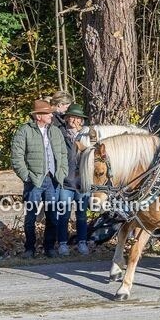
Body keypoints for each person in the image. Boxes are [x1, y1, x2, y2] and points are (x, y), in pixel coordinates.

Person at [11, 100, 67, 258]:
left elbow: (63, 154)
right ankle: (30, 248)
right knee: (30, 217)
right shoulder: (25, 131)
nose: (51, 115)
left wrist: (61, 173)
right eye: (48, 113)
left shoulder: (55, 131)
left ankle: (49, 247)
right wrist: (26, 176)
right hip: (34, 181)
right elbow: (17, 157)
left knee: (52, 216)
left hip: (53, 180)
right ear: (39, 116)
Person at [55, 104, 91, 256]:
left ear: (81, 120)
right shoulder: (60, 133)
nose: (73, 120)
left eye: (76, 117)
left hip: (82, 181)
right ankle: (63, 243)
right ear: (66, 118)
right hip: (66, 181)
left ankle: (82, 242)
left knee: (82, 214)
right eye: (70, 117)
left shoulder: (87, 135)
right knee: (63, 213)